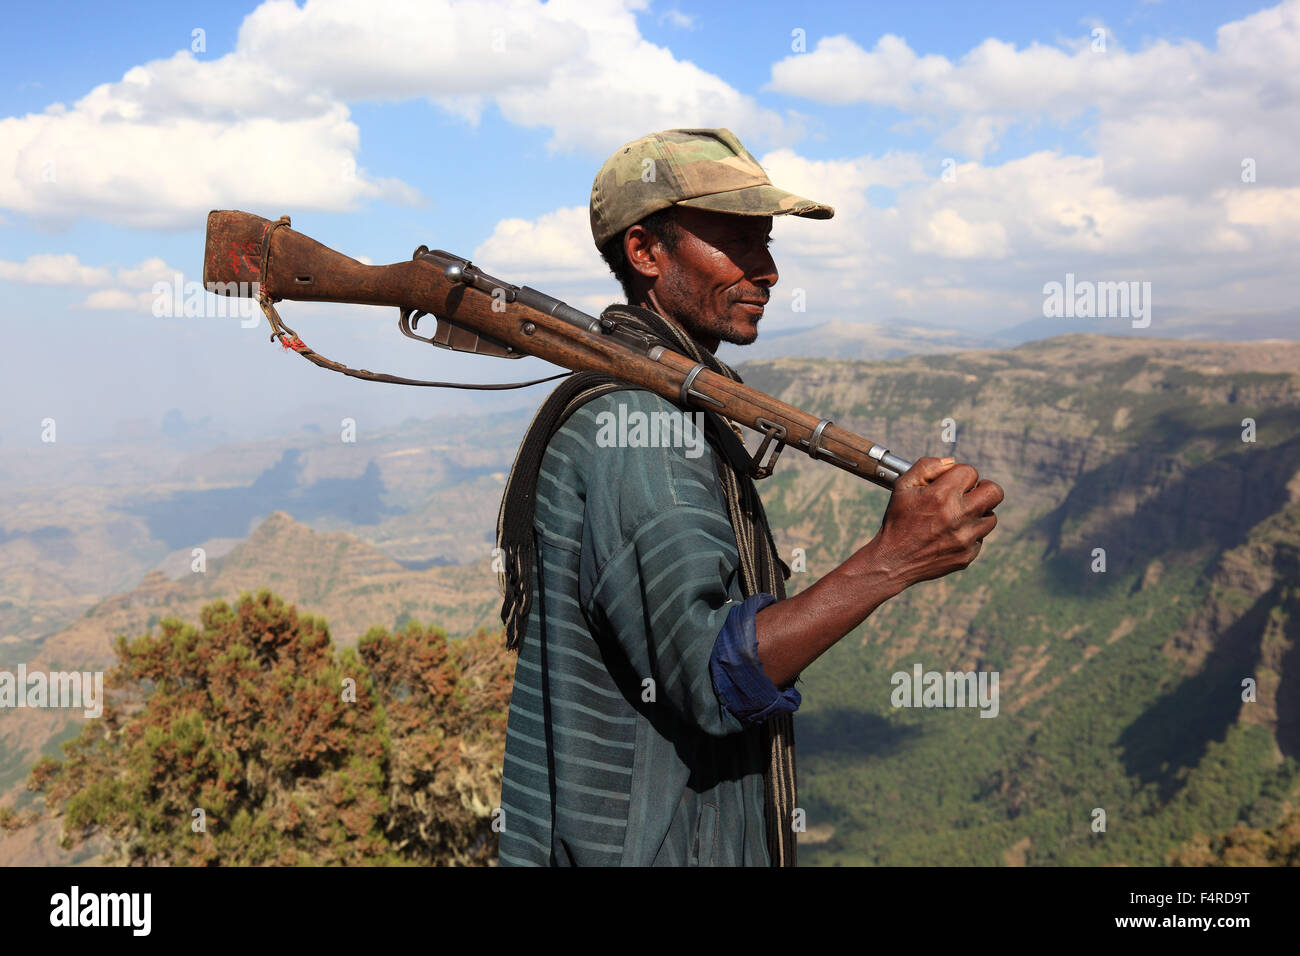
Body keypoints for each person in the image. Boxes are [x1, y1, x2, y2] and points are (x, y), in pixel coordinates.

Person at [495, 128, 1004, 866]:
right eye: (737, 242)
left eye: (765, 243)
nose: (766, 270)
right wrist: (894, 559)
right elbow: (712, 676)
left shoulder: (665, 402)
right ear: (645, 252)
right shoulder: (640, 430)